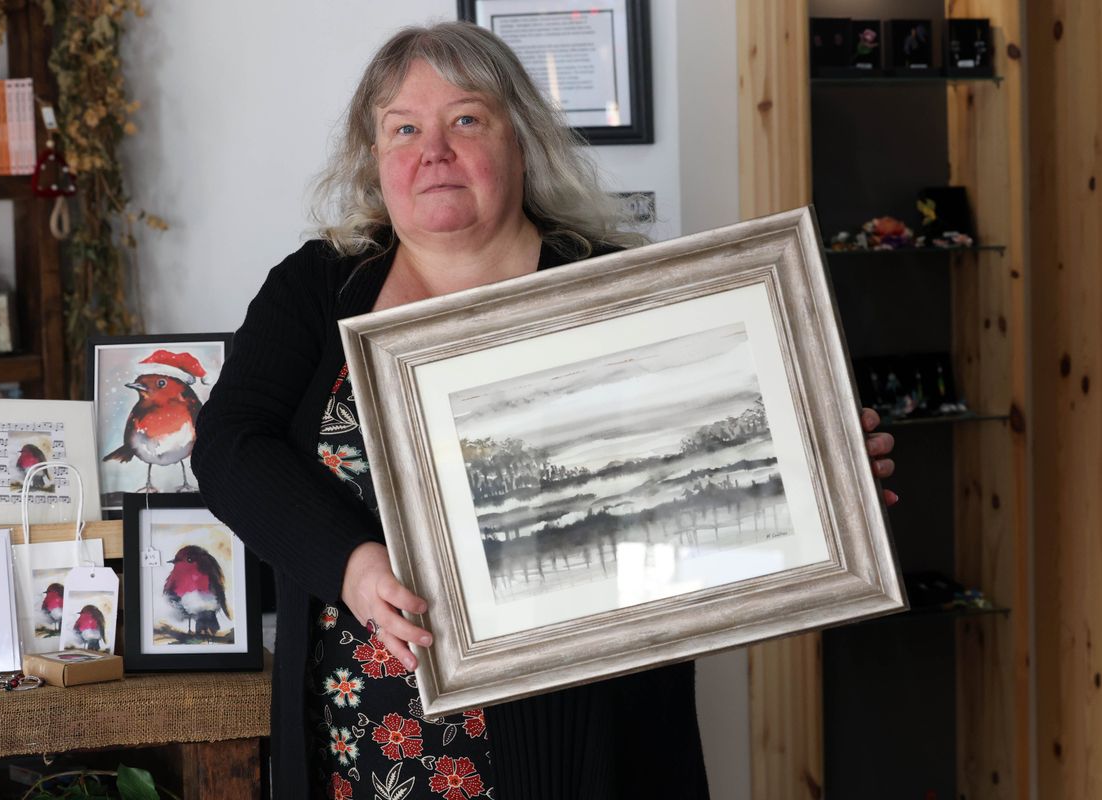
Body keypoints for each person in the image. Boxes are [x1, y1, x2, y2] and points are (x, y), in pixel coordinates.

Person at [192, 20, 897, 800]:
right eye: (403, 128)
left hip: (586, 744)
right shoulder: (317, 286)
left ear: (520, 140)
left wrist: (818, 476)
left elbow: (683, 480)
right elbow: (228, 446)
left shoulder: (617, 288)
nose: (434, 150)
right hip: (358, 746)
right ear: (373, 158)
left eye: (466, 119)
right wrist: (353, 565)